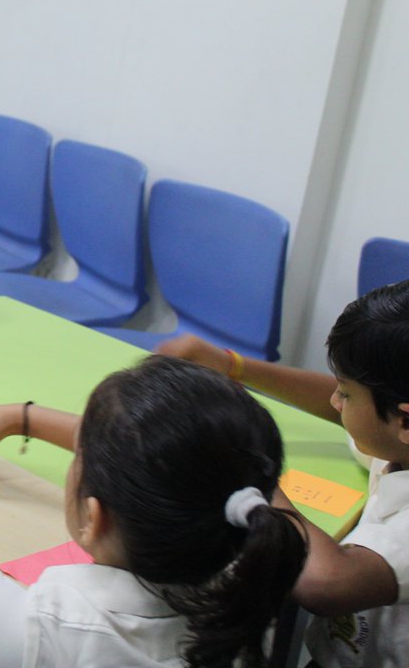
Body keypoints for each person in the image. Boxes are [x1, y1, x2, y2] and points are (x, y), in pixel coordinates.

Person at [0, 355, 308, 668]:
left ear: (92, 518)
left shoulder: (43, 630)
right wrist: (19, 417)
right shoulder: (247, 570)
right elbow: (170, 458)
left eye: (82, 455)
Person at [157, 281, 409, 667]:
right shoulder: (395, 440)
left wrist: (251, 470)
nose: (333, 400)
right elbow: (352, 402)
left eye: (345, 393)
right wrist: (232, 367)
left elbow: (327, 584)